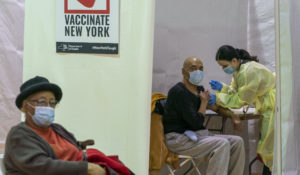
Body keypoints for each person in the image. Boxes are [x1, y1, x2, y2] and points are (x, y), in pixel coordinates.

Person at [4, 76, 133, 175]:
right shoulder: (19, 134)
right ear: (25, 106)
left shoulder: (56, 129)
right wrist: (86, 168)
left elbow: (74, 149)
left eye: (52, 102)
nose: (48, 107)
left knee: (116, 167)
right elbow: (41, 166)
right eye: (42, 102)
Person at [163, 56, 245, 175]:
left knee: (237, 142)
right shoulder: (178, 92)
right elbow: (196, 122)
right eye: (193, 68)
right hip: (178, 139)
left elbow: (215, 107)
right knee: (221, 144)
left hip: (197, 136)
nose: (198, 72)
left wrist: (233, 116)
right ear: (183, 71)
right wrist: (203, 102)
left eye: (201, 69)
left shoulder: (199, 89)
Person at [209, 45, 275, 175]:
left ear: (234, 60)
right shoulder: (239, 70)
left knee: (268, 150)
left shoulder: (248, 71)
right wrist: (222, 88)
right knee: (267, 148)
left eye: (224, 66)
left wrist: (217, 98)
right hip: (266, 105)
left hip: (272, 105)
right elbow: (235, 91)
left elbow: (240, 100)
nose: (223, 69)